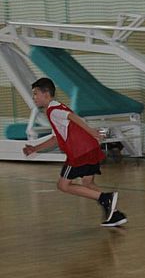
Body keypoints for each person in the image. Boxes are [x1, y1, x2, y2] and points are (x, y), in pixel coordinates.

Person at [23, 77, 126, 227]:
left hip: (79, 152)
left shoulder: (53, 109)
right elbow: (56, 138)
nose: (33, 97)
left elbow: (72, 117)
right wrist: (35, 148)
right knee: (88, 183)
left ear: (46, 94)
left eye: (35, 93)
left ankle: (106, 198)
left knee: (63, 186)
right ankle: (115, 214)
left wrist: (92, 131)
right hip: (91, 148)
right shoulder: (55, 109)